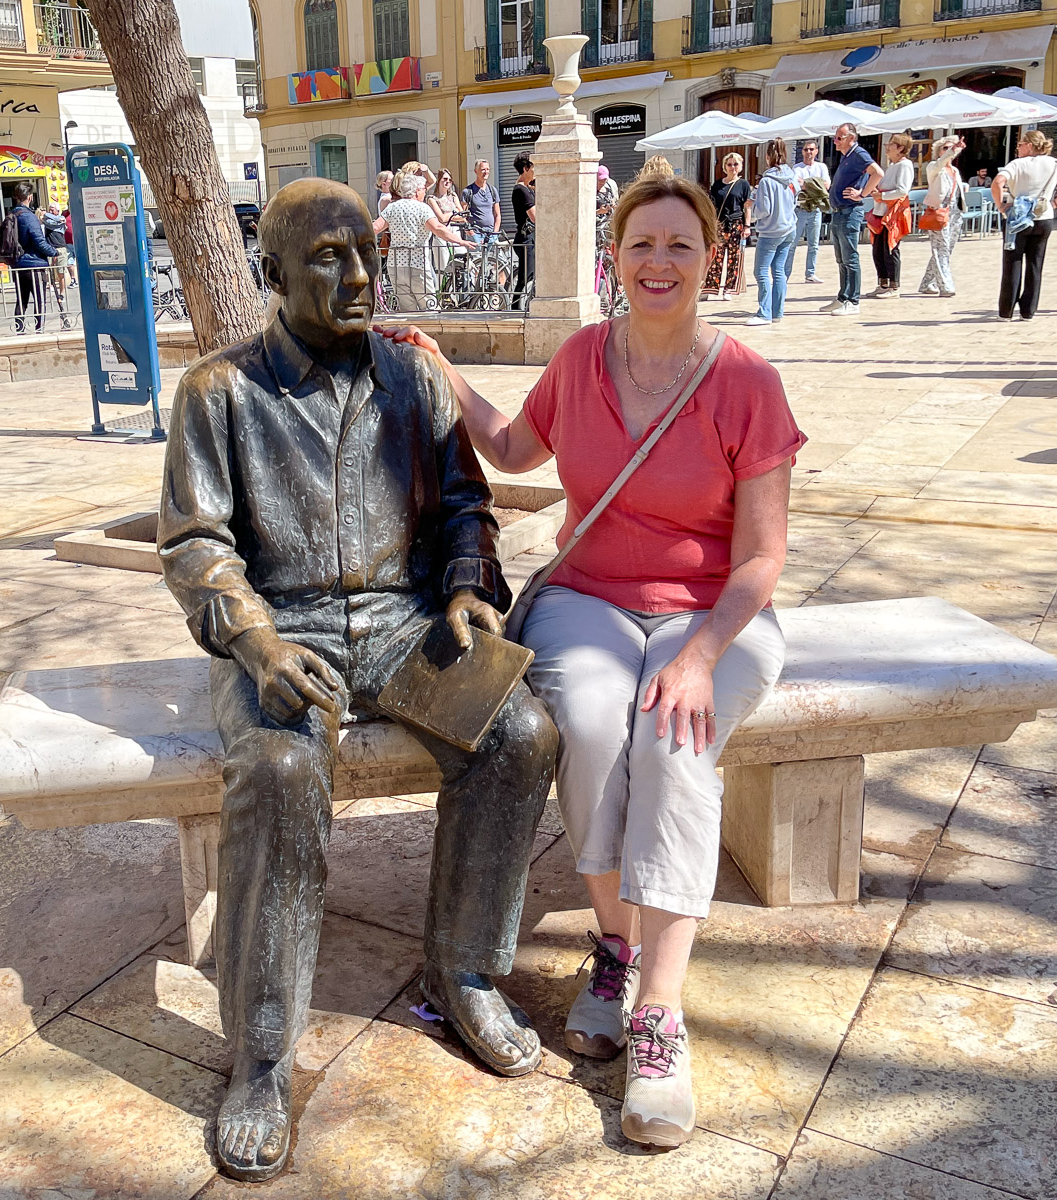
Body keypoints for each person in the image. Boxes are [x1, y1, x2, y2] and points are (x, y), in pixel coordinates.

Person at [382, 172, 804, 1150]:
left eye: (680, 246)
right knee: (593, 723)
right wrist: (445, 370)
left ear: (712, 258)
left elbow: (762, 560)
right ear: (615, 256)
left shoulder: (748, 383)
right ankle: (614, 943)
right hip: (589, 596)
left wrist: (699, 657)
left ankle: (657, 1010)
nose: (659, 263)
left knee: (673, 737)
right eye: (642, 245)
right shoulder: (581, 359)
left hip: (715, 615)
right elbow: (512, 449)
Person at [159, 177, 557, 1183]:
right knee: (286, 776)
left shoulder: (412, 379)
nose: (358, 277)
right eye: (328, 258)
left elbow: (468, 501)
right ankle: (260, 1054)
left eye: (365, 254)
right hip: (282, 633)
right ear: (274, 273)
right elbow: (198, 544)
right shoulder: (220, 392)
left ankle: (465, 971)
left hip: (398, 625)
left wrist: (468, 589)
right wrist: (251, 642)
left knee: (521, 736)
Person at [992, 129, 1057, 321]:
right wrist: (1056, 202)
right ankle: (1028, 310)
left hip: (1018, 218)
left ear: (1029, 145)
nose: (1018, 148)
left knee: (1012, 263)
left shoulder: (1017, 164)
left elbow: (998, 182)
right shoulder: (1055, 163)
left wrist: (1001, 206)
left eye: (1020, 144)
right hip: (1043, 216)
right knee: (1035, 264)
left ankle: (1006, 311)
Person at [374, 169, 469, 309]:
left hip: (395, 265)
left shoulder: (392, 208)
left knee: (407, 311)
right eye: (424, 189)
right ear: (417, 191)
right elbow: (438, 228)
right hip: (417, 263)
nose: (425, 192)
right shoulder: (423, 208)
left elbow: (375, 227)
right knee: (430, 307)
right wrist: (460, 241)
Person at [823, 123, 883, 316]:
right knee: (841, 258)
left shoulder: (859, 154)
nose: (835, 141)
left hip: (850, 211)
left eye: (839, 138)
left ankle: (853, 300)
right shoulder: (847, 157)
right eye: (835, 138)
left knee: (850, 257)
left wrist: (862, 194)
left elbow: (878, 173)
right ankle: (843, 296)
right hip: (839, 211)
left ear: (851, 138)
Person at [747, 138, 798, 326]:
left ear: (768, 157)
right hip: (789, 228)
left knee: (760, 271)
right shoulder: (791, 176)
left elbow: (764, 209)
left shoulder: (767, 181)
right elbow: (795, 200)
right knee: (778, 271)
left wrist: (752, 209)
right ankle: (777, 311)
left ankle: (764, 313)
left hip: (771, 231)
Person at [866, 132, 915, 299]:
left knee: (890, 249)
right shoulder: (892, 165)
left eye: (891, 144)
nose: (887, 146)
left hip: (893, 214)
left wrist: (883, 196)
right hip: (881, 212)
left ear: (900, 148)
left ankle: (894, 286)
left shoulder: (905, 165)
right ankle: (883, 283)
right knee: (878, 250)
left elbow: (903, 190)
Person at [917, 135, 966, 298]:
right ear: (939, 151)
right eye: (945, 148)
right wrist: (952, 151)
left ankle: (927, 282)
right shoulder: (933, 167)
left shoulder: (955, 171)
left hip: (955, 213)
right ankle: (945, 285)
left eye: (952, 148)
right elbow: (940, 163)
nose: (950, 151)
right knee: (941, 249)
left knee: (946, 249)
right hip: (938, 211)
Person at [6, 182, 58, 334]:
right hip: (34, 264)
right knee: (40, 300)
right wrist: (53, 252)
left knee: (21, 300)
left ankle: (20, 330)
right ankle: (39, 330)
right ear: (29, 197)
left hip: (18, 264)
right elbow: (39, 240)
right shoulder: (29, 216)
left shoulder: (12, 215)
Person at [703, 152, 751, 300]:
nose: (732, 167)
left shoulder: (743, 184)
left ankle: (729, 289)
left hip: (735, 224)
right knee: (715, 256)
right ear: (724, 166)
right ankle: (711, 287)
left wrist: (747, 226)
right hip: (719, 224)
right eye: (729, 164)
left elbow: (747, 206)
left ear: (741, 166)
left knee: (733, 257)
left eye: (735, 164)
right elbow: (711, 206)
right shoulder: (717, 185)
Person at [792, 141, 830, 284]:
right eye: (806, 149)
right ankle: (785, 272)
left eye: (811, 149)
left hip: (816, 209)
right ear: (802, 152)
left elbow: (826, 185)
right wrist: (816, 184)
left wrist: (807, 183)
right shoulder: (797, 168)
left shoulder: (822, 167)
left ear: (816, 151)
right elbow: (798, 185)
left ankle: (810, 273)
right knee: (792, 244)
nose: (808, 152)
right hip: (800, 210)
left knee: (814, 244)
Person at [511, 152, 536, 310]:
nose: (536, 170)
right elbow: (535, 217)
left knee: (529, 276)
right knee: (525, 278)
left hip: (529, 238)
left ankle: (521, 307)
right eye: (534, 167)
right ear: (526, 168)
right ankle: (516, 310)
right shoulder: (521, 190)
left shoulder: (527, 188)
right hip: (526, 239)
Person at [461, 158, 502, 245]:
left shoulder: (493, 190)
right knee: (477, 259)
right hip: (476, 235)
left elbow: (497, 214)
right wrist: (470, 231)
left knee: (493, 258)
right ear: (476, 171)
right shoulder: (468, 191)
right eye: (483, 169)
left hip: (491, 234)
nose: (486, 172)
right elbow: (463, 215)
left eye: (487, 169)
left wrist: (495, 233)